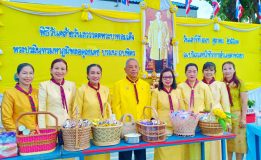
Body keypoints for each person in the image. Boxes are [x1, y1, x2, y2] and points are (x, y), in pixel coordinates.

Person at [112, 58, 151, 160]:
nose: (133, 69)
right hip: (126, 126)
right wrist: (121, 124)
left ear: (139, 69)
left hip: (141, 126)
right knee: (125, 155)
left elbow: (148, 105)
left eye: (136, 67)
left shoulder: (145, 85)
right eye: (130, 67)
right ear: (125, 69)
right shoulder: (118, 85)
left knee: (141, 154)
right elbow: (116, 106)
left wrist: (146, 122)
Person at [73, 64, 110, 160]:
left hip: (104, 131)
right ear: (87, 75)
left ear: (101, 75)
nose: (95, 75)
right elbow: (76, 113)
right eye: (92, 73)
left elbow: (108, 110)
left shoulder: (106, 89)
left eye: (98, 73)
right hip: (88, 132)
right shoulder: (81, 90)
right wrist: (80, 130)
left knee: (104, 156)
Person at [178, 63, 213, 160]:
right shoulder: (180, 87)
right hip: (186, 123)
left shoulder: (204, 86)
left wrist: (200, 115)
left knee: (201, 148)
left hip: (201, 123)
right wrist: (187, 115)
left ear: (198, 73)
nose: (192, 74)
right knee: (186, 148)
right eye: (189, 71)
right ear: (185, 73)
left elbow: (209, 106)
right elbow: (179, 104)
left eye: (194, 71)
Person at [151, 68, 185, 160]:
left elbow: (182, 108)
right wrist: (155, 124)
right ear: (161, 79)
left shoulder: (177, 91)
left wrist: (183, 120)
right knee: (163, 153)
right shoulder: (156, 92)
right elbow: (153, 109)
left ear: (173, 78)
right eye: (165, 77)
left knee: (177, 153)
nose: (167, 79)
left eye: (170, 77)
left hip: (177, 127)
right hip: (162, 128)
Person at [202, 62, 230, 160]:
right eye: (206, 70)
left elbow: (225, 103)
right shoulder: (199, 85)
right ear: (202, 71)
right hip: (203, 119)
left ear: (215, 72)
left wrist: (227, 121)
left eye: (211, 70)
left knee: (216, 143)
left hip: (217, 118)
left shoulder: (220, 85)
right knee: (203, 142)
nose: (208, 72)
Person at [38, 58, 76, 128]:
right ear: (51, 70)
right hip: (51, 126)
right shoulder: (44, 85)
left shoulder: (71, 85)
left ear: (66, 71)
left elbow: (74, 106)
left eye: (62, 69)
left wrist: (74, 123)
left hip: (69, 126)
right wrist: (42, 129)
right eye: (56, 68)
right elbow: (41, 109)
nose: (59, 71)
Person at [222, 61, 248, 160]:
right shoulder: (221, 83)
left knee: (239, 143)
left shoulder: (240, 82)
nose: (227, 71)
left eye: (230, 68)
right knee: (227, 143)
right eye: (225, 69)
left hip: (237, 116)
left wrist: (243, 118)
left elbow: (244, 102)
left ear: (234, 70)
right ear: (222, 71)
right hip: (225, 117)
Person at [2, 63, 38, 131]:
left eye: (31, 73)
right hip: (20, 134)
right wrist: (16, 133)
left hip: (38, 133)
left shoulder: (37, 92)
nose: (28, 76)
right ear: (17, 75)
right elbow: (6, 118)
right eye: (24, 73)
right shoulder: (10, 93)